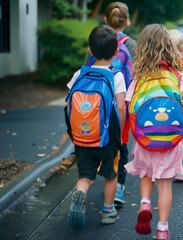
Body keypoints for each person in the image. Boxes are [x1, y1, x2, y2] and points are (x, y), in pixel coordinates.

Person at [125, 24, 183, 240]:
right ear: (170, 48)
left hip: (144, 139)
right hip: (171, 141)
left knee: (146, 174)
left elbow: (129, 107)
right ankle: (162, 229)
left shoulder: (139, 78)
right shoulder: (178, 77)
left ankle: (145, 202)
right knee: (165, 184)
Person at [66, 25, 126, 228]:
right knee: (111, 174)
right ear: (116, 52)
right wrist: (120, 136)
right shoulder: (116, 76)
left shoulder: (79, 74)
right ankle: (108, 212)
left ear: (90, 51)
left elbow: (68, 106)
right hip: (107, 138)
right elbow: (120, 108)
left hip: (83, 138)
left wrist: (77, 130)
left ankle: (80, 193)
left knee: (85, 176)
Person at [83, 2, 136, 206]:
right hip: (121, 103)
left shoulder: (96, 40)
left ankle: (87, 178)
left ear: (105, 19)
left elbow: (86, 69)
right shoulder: (130, 44)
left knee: (97, 140)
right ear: (127, 21)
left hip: (96, 106)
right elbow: (135, 72)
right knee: (120, 144)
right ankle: (118, 187)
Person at [168, 29, 183, 182]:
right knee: (181, 139)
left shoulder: (163, 64)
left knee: (170, 137)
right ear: (182, 48)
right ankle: (181, 170)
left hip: (168, 104)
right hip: (182, 105)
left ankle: (170, 168)